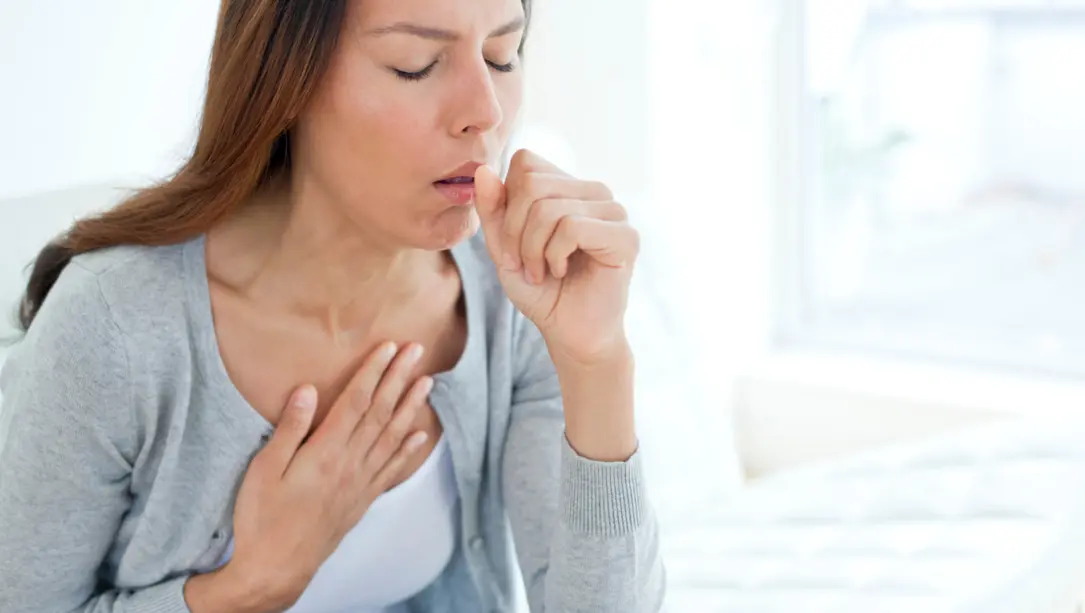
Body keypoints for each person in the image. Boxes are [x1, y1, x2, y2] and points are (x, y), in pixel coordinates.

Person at [0, 0, 665, 611]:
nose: (485, 110)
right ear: (287, 81)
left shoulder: (512, 290)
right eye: (416, 64)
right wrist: (249, 585)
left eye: (502, 55)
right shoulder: (113, 327)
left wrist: (595, 359)